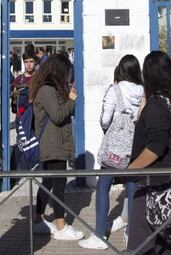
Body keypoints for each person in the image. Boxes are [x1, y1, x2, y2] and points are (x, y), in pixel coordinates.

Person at [126, 51, 171, 255]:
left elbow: (154, 148)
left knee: (140, 247)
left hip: (153, 187)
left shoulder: (158, 106)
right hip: (168, 185)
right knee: (163, 244)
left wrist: (129, 170)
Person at [79, 55, 144, 250]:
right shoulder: (143, 91)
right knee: (132, 188)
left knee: (103, 186)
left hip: (115, 147)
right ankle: (131, 234)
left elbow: (105, 120)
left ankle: (100, 235)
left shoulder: (114, 90)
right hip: (135, 147)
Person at [30, 54, 84, 240]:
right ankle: (60, 225)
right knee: (59, 183)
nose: (68, 76)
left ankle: (38, 221)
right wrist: (71, 99)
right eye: (67, 72)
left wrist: (67, 97)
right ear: (59, 71)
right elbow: (58, 115)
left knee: (49, 182)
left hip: (56, 142)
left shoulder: (51, 89)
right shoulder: (46, 90)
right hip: (53, 144)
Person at [10, 51, 36, 118]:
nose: (29, 64)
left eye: (31, 61)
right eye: (26, 62)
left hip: (35, 117)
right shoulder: (18, 79)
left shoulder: (40, 78)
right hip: (21, 116)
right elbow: (14, 99)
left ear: (35, 62)